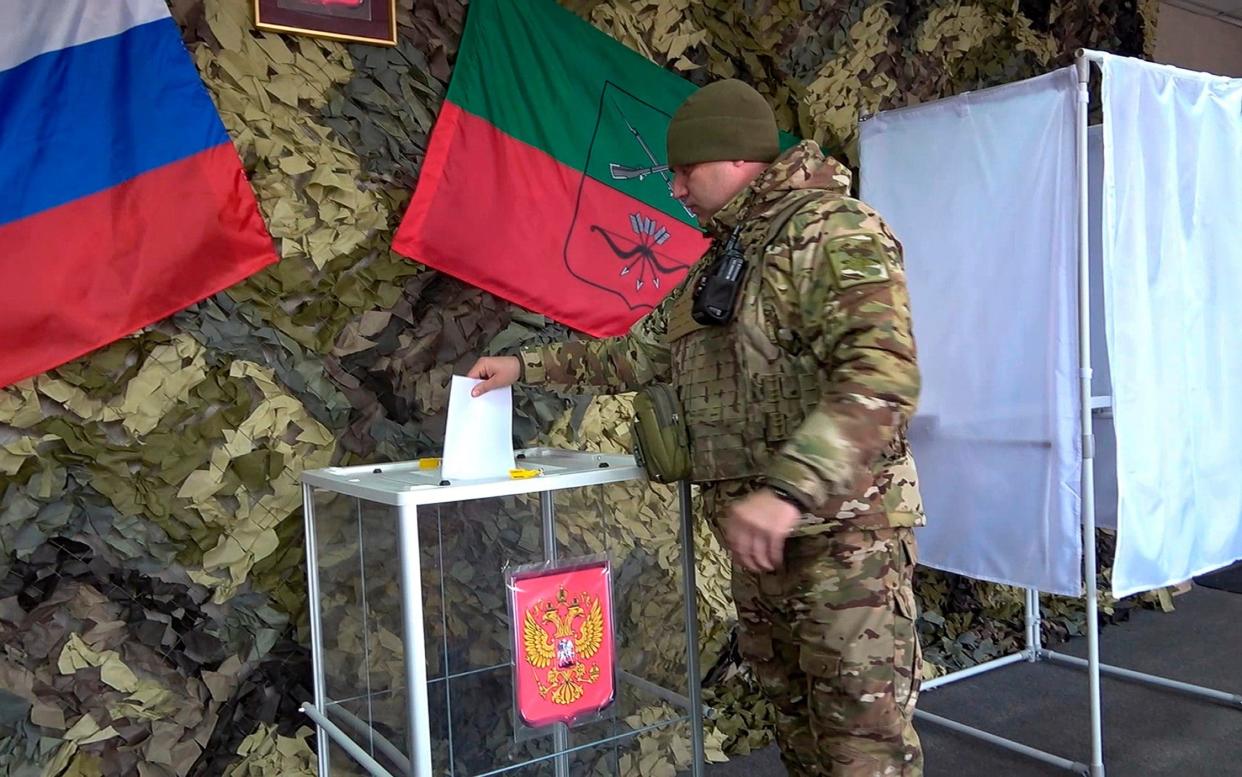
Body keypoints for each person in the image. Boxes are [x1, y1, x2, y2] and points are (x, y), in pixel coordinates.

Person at [468, 78, 924, 776]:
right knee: (799, 731)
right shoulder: (726, 260)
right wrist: (523, 366)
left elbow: (881, 376)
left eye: (685, 170)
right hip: (766, 550)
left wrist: (786, 493)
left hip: (842, 540)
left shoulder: (833, 231)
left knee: (863, 744)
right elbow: (642, 353)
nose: (675, 188)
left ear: (737, 157)